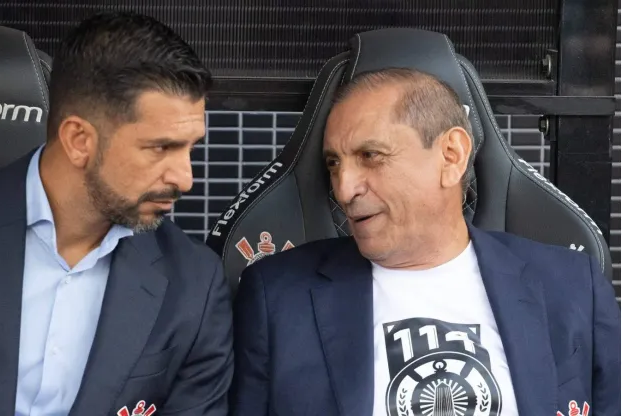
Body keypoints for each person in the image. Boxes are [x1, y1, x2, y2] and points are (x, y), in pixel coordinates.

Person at [0, 12, 233, 416]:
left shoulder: (195, 284)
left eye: (191, 148)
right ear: (78, 140)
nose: (185, 178)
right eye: (161, 148)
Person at [230, 68, 620, 416]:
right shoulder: (279, 296)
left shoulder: (570, 286)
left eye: (371, 155)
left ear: (451, 156)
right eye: (334, 164)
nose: (344, 189)